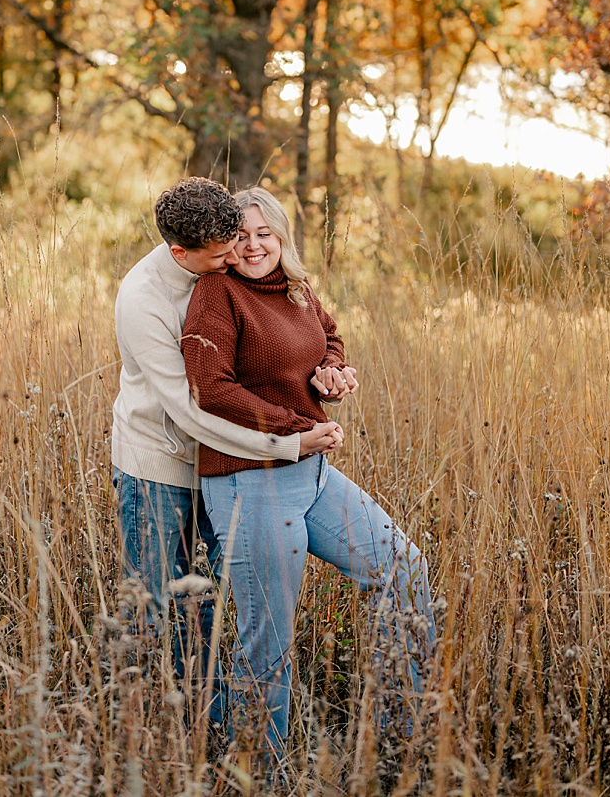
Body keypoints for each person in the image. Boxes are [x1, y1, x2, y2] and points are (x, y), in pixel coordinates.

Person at [181, 186, 435, 762]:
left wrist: (333, 371)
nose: (253, 246)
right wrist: (293, 430)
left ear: (281, 236)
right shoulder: (216, 293)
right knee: (267, 643)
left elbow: (330, 335)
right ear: (224, 243)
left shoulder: (295, 287)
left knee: (402, 569)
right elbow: (208, 387)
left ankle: (405, 740)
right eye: (239, 236)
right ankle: (263, 773)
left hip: (313, 477)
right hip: (251, 482)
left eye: (264, 233)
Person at [112, 177, 342, 721]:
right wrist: (287, 441)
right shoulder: (143, 299)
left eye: (241, 242)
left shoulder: (220, 267)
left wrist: (327, 367)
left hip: (225, 465)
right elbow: (194, 408)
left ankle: (215, 721)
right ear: (181, 253)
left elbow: (304, 324)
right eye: (221, 255)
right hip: (160, 465)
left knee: (207, 598)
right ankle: (149, 725)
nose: (235, 260)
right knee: (155, 600)